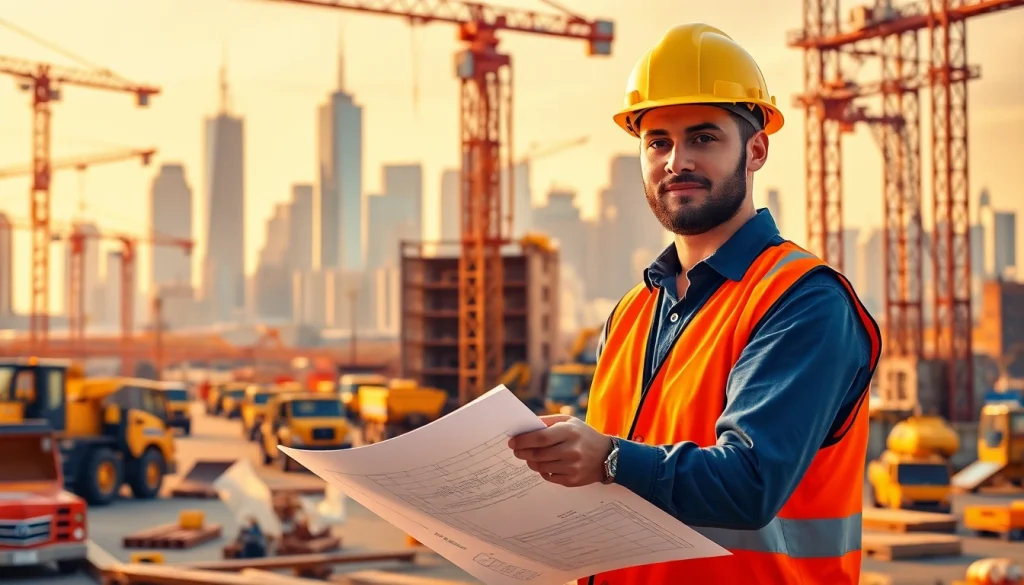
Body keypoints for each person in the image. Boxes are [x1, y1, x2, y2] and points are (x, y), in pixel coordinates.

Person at [507, 23, 881, 585]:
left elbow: (749, 483)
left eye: (703, 139)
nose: (676, 161)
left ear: (756, 151)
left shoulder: (803, 300)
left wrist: (606, 457)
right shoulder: (632, 312)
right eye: (657, 142)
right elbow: (617, 483)